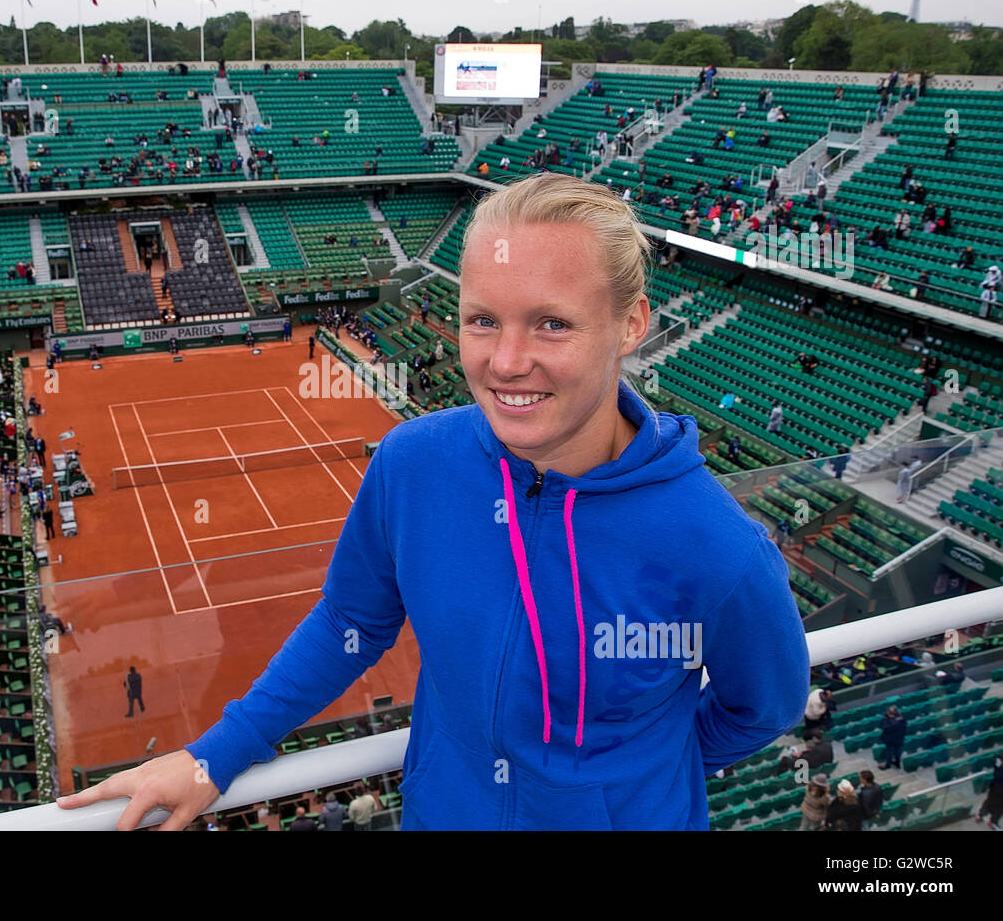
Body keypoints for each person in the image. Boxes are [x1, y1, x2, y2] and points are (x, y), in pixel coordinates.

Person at [58, 173, 811, 832]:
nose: (506, 362)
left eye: (552, 322)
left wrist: (624, 777)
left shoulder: (721, 548)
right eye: (482, 318)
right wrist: (214, 754)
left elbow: (764, 707)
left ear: (631, 325)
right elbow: (352, 621)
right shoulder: (413, 462)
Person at [974, 756, 1003, 830]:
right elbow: (998, 772)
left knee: (1000, 806)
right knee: (991, 801)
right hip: (998, 786)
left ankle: (993, 822)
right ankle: (981, 814)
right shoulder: (1000, 758)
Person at [878, 705, 906, 769]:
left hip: (890, 740)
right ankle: (897, 763)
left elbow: (883, 727)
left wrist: (885, 719)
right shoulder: (902, 718)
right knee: (898, 751)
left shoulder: (888, 722)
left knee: (889, 752)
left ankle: (888, 765)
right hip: (900, 738)